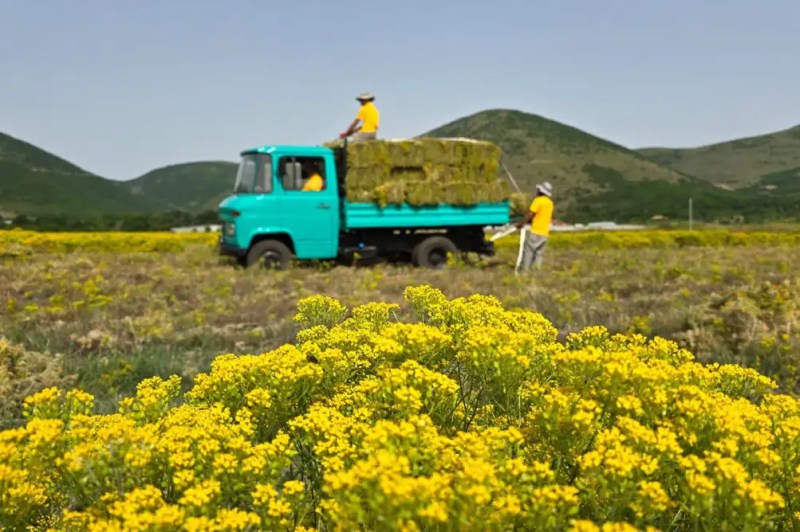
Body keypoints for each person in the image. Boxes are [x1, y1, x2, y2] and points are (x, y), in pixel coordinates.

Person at [515, 181, 554, 273]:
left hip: (536, 231)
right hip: (545, 233)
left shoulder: (538, 200)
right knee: (538, 254)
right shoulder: (550, 203)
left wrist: (521, 223)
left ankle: (524, 273)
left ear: (541, 191)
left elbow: (530, 214)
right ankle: (536, 273)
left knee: (528, 252)